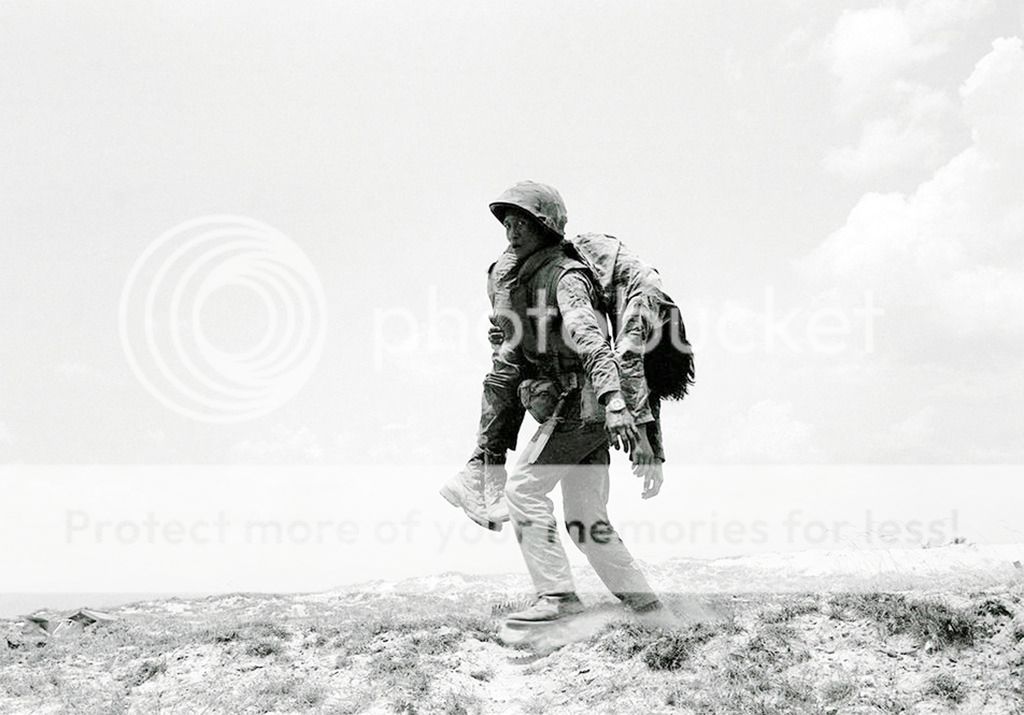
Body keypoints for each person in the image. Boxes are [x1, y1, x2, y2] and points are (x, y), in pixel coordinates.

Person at [446, 180, 675, 624]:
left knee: (524, 489)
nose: (512, 233)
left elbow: (591, 339)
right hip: (573, 408)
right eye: (508, 223)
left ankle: (557, 598)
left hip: (583, 405)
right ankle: (652, 612)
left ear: (545, 227)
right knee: (586, 519)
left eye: (523, 224)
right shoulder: (520, 281)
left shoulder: (564, 276)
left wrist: (613, 400)